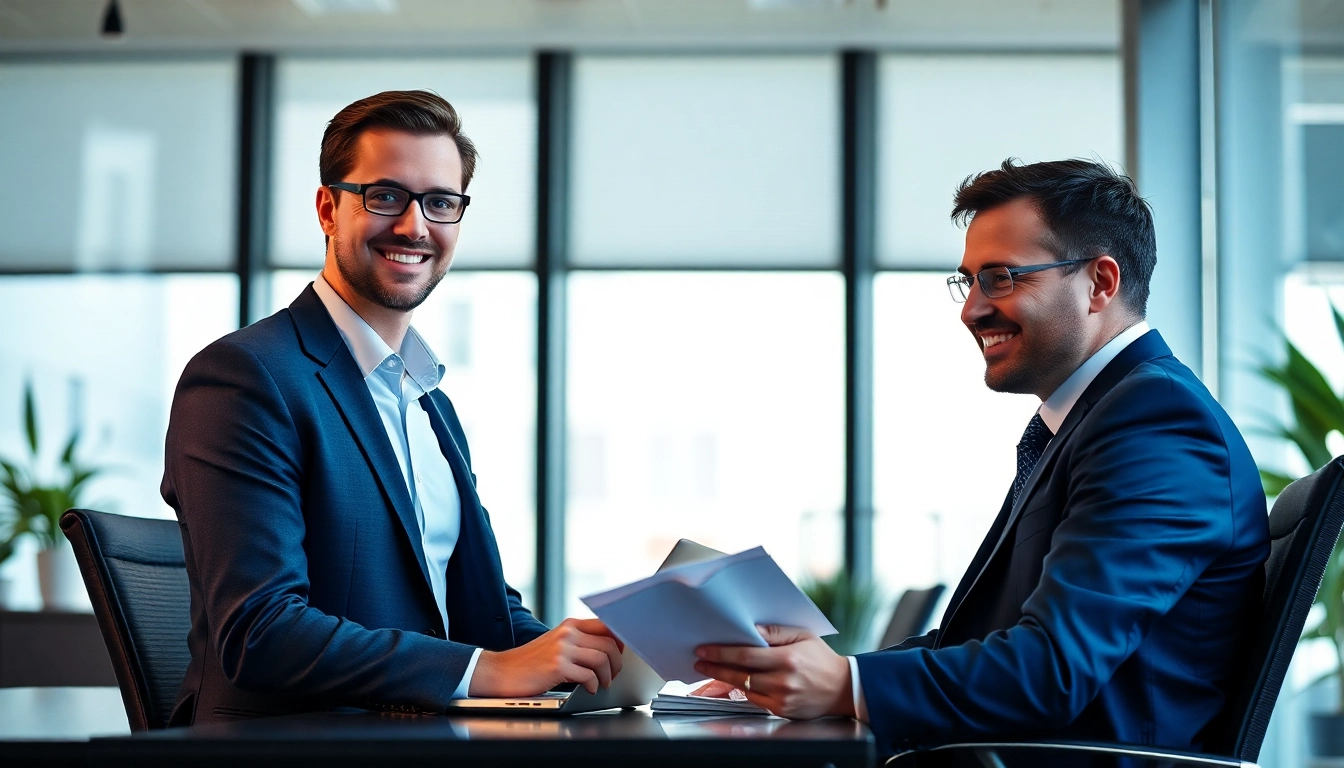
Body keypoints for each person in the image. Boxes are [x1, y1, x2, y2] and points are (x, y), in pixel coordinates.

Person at [692, 159, 1270, 757]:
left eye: (1002, 278)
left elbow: (1050, 671)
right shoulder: (1097, 417)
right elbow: (993, 642)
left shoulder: (1156, 423)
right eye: (967, 281)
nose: (970, 309)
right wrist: (822, 670)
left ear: (1100, 283)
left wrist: (845, 684)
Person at [162, 90, 621, 725]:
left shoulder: (430, 403)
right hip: (291, 747)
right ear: (328, 208)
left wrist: (593, 659)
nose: (414, 226)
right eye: (385, 197)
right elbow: (259, 631)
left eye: (440, 203)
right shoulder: (245, 378)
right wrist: (485, 670)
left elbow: (481, 609)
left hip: (419, 736)